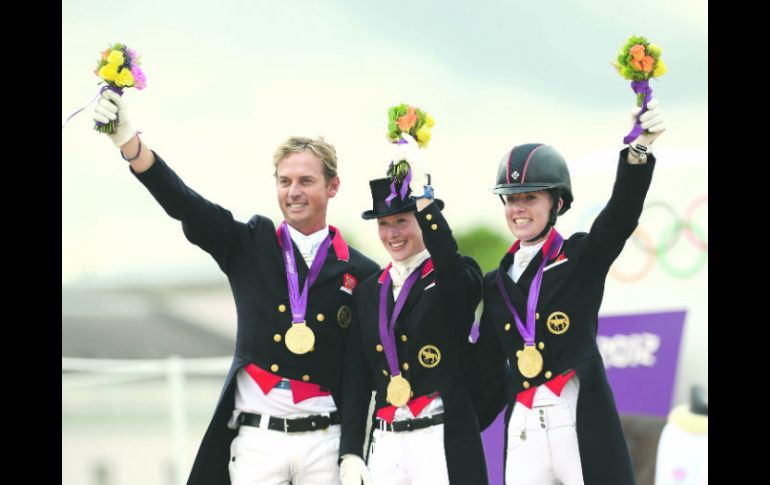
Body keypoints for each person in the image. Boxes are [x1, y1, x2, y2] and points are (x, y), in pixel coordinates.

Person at [93, 89, 379, 485]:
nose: (293, 192)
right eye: (285, 181)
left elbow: (359, 373)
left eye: (306, 181)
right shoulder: (249, 244)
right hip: (258, 443)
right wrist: (129, 143)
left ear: (332, 186)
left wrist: (352, 450)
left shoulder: (362, 271)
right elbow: (186, 204)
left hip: (325, 443)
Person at [471, 99, 666, 485]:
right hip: (523, 424)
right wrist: (456, 424)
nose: (518, 209)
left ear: (557, 202)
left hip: (573, 414)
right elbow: (487, 366)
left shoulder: (578, 257)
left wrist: (638, 152)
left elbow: (619, 218)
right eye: (511, 199)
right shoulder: (495, 283)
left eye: (530, 197)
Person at [338, 131, 488, 485]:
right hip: (386, 440)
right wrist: (351, 450)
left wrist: (424, 202)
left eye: (402, 220)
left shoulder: (454, 273)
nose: (392, 233)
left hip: (438, 437)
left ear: (423, 219)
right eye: (384, 224)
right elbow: (357, 379)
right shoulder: (368, 291)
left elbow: (453, 272)